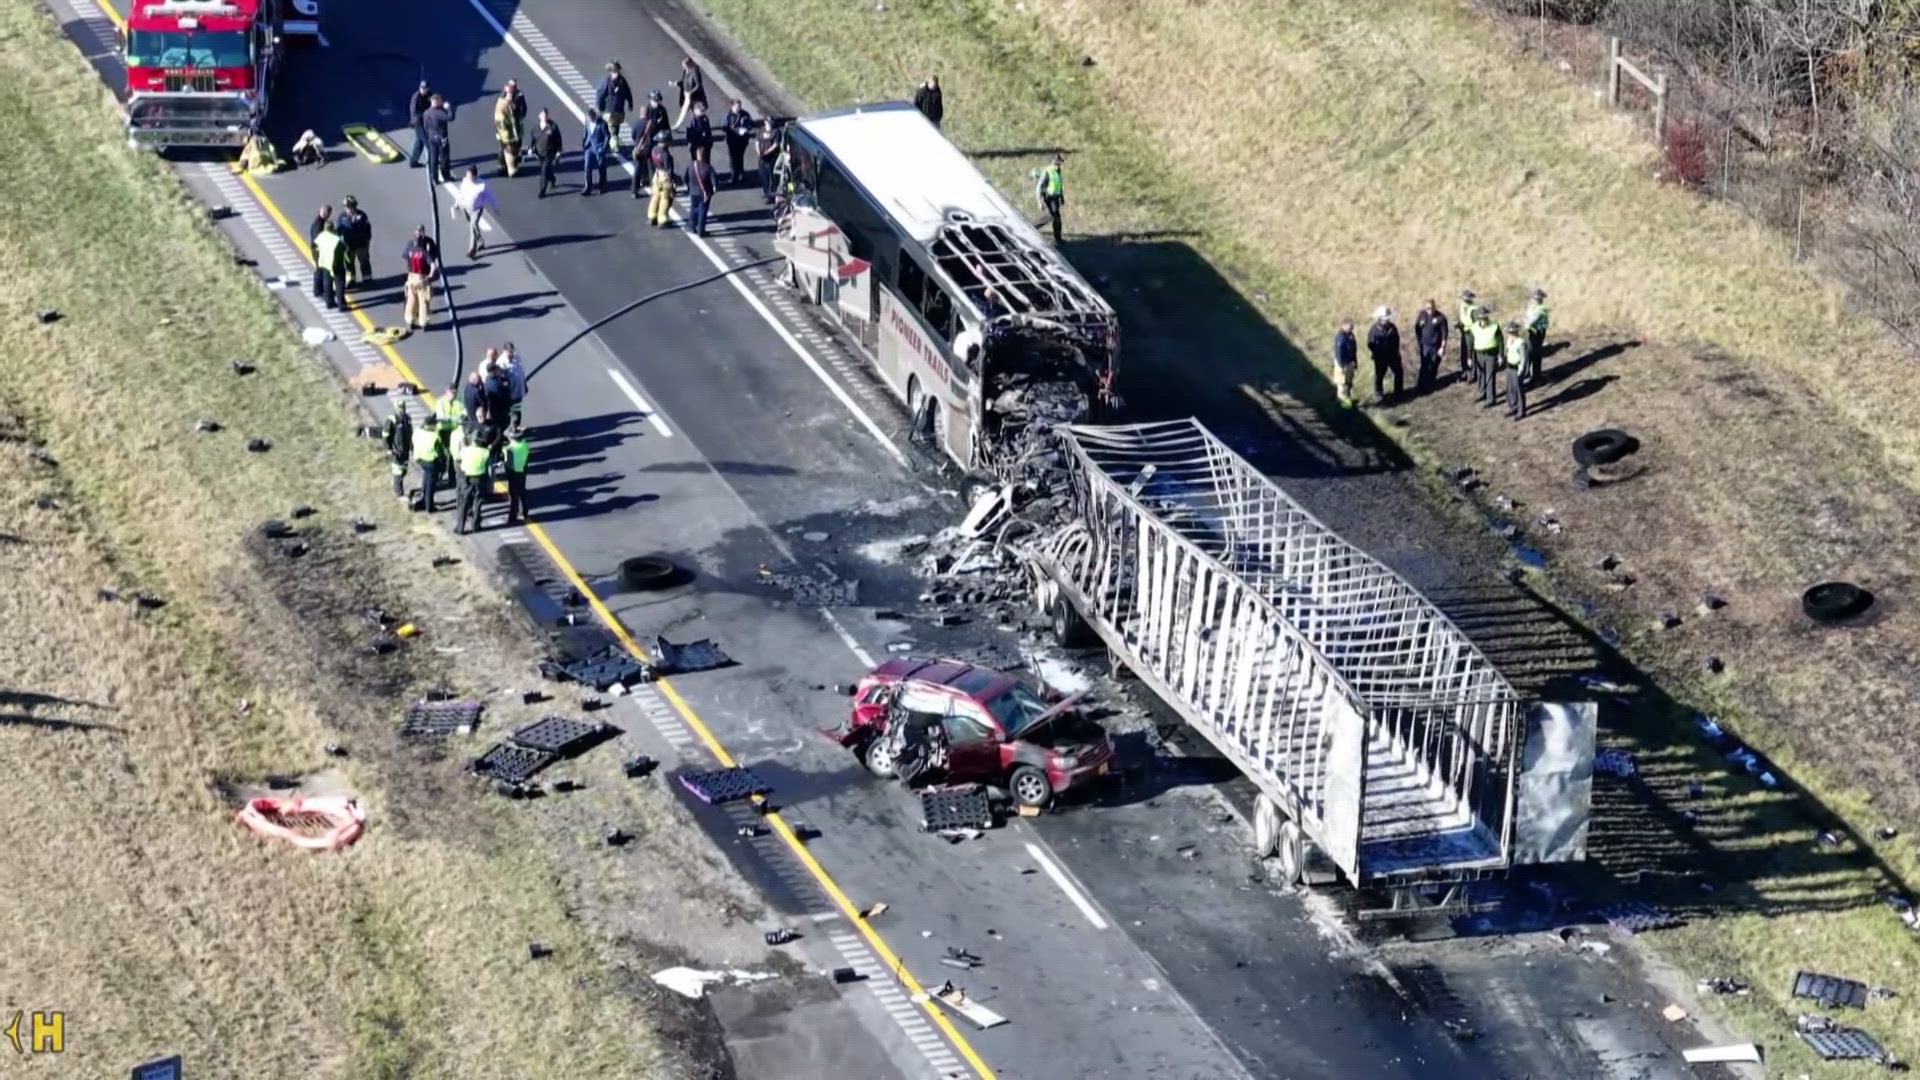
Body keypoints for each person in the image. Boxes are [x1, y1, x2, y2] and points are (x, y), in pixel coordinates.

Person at [456, 424, 493, 535]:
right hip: (480, 479)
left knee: (464, 504)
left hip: (467, 479)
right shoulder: (485, 452)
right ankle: (475, 526)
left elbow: (459, 461)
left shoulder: (464, 451)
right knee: (477, 503)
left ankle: (460, 528)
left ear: (472, 440)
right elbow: (488, 468)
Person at [453, 166, 497, 258]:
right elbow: (461, 193)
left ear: (474, 176)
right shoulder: (465, 181)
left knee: (472, 226)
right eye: (467, 175)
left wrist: (495, 207)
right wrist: (456, 204)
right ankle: (480, 241)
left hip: (477, 209)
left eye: (469, 176)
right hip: (466, 208)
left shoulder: (482, 185)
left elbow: (490, 196)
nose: (467, 177)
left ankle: (472, 250)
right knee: (472, 226)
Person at [401, 225, 438, 330]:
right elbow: (433, 264)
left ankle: (410, 319)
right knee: (423, 301)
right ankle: (423, 321)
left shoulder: (410, 247)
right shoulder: (424, 251)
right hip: (422, 278)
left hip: (411, 277)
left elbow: (406, 257)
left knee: (411, 300)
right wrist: (431, 275)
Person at [1366, 306, 1404, 403]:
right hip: (1380, 358)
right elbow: (1370, 344)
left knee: (1399, 373)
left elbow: (1397, 339)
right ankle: (1379, 393)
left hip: (1393, 356)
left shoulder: (1392, 328)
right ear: (1379, 319)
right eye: (1384, 320)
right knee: (1379, 376)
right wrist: (1378, 352)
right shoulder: (1374, 330)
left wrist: (1396, 351)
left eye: (1387, 319)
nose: (1386, 321)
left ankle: (1398, 392)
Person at [634, 90, 671, 187]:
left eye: (658, 100)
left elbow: (666, 125)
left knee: (658, 160)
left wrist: (668, 136)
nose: (657, 102)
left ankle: (655, 180)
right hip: (648, 139)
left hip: (659, 139)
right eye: (655, 100)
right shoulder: (648, 110)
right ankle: (644, 178)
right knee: (646, 161)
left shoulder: (662, 110)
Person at [1469, 306, 1504, 407]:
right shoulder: (1474, 327)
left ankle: (1491, 399)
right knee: (1480, 375)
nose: (1483, 320)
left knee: (1490, 376)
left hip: (1491, 354)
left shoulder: (1495, 326)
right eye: (1481, 318)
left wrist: (1500, 355)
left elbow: (1500, 341)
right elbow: (1470, 343)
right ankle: (1482, 393)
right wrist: (1469, 357)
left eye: (1485, 317)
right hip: (1479, 353)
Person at [337, 196, 372, 288]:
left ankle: (367, 279)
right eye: (346, 207)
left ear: (354, 206)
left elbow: (367, 230)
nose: (347, 209)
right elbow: (339, 232)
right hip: (348, 246)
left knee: (364, 262)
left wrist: (367, 243)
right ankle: (351, 279)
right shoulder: (342, 217)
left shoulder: (362, 216)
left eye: (349, 207)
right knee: (349, 264)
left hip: (361, 245)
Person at [1413, 298, 1448, 390]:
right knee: (1424, 365)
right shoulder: (1422, 315)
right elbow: (1417, 328)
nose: (1430, 310)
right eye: (1428, 308)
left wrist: (1442, 347)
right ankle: (1421, 386)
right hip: (1424, 345)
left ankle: (1431, 384)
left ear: (1435, 307)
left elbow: (1444, 333)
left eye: (1432, 308)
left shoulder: (1441, 318)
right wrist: (1419, 341)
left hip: (1435, 346)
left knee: (1433, 365)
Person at [596, 62, 633, 148]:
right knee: (611, 127)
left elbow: (628, 92)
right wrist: (599, 107)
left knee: (617, 126)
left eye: (618, 71)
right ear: (610, 72)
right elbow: (600, 94)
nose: (618, 73)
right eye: (615, 71)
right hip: (609, 109)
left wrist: (630, 103)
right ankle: (612, 144)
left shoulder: (622, 81)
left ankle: (612, 141)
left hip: (619, 108)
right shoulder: (606, 81)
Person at [412, 413, 444, 511]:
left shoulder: (417, 432)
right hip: (431, 461)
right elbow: (440, 452)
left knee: (426, 480)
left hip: (419, 459)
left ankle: (423, 500)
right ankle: (429, 506)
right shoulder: (434, 436)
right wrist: (442, 464)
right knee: (431, 484)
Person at [312, 219, 346, 310]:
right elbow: (343, 248)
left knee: (327, 283)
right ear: (333, 228)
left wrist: (317, 260)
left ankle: (329, 302)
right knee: (340, 284)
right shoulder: (336, 239)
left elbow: (314, 247)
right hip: (336, 264)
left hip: (324, 263)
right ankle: (341, 305)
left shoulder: (320, 236)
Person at [684, 147, 718, 236]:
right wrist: (713, 189)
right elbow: (714, 181)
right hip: (704, 193)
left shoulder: (691, 166)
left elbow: (685, 178)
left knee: (693, 209)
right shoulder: (708, 168)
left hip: (693, 191)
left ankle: (691, 226)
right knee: (702, 211)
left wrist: (689, 186)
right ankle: (701, 230)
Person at [422, 93, 454, 183]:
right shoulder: (440, 113)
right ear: (437, 101)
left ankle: (434, 178)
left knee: (433, 158)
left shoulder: (426, 113)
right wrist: (449, 108)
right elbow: (450, 118)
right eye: (440, 100)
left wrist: (430, 135)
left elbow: (425, 126)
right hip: (441, 138)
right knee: (444, 158)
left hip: (431, 138)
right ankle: (446, 176)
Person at [503, 423, 531, 525]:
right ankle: (524, 512)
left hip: (513, 472)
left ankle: (512, 516)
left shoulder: (510, 449)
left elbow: (507, 462)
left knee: (513, 495)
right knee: (522, 491)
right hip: (522, 470)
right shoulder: (524, 444)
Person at [493, 82, 523, 177]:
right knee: (507, 149)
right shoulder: (501, 105)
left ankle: (508, 166)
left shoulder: (512, 103)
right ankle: (508, 169)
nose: (511, 96)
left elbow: (519, 114)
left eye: (512, 94)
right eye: (510, 94)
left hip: (515, 132)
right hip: (507, 134)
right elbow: (499, 121)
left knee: (514, 148)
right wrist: (504, 133)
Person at [382, 407, 413, 498]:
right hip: (396, 451)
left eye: (403, 408)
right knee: (398, 472)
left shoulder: (407, 418)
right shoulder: (392, 419)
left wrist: (411, 445)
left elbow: (410, 432)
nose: (402, 410)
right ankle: (399, 493)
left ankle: (396, 485)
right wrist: (388, 448)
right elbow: (385, 435)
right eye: (400, 408)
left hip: (405, 450)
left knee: (403, 470)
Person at [1035, 151, 1065, 244]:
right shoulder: (1047, 172)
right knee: (1051, 217)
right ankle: (1032, 228)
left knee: (1056, 218)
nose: (1058, 164)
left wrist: (1062, 197)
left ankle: (1058, 239)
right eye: (1056, 162)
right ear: (1052, 162)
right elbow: (1039, 187)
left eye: (1059, 162)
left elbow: (1059, 185)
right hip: (1048, 197)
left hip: (1055, 198)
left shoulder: (1058, 171)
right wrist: (1040, 202)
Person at [722, 99, 754, 185]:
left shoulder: (745, 114)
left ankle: (741, 174)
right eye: (737, 106)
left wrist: (746, 129)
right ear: (732, 106)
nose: (738, 108)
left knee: (740, 157)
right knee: (733, 158)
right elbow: (724, 127)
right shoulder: (728, 115)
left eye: (739, 106)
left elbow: (751, 124)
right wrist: (733, 129)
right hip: (732, 140)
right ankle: (733, 176)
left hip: (742, 140)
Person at [647, 136, 677, 226]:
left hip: (657, 174)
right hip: (664, 176)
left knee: (655, 196)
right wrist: (673, 180)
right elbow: (669, 169)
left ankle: (652, 215)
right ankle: (662, 218)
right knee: (665, 198)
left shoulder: (654, 150)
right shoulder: (665, 154)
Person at [535, 109, 563, 198]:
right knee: (547, 170)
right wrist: (531, 149)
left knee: (544, 171)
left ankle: (542, 191)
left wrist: (559, 151)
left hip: (550, 152)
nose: (544, 117)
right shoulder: (536, 128)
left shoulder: (553, 127)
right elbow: (533, 139)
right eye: (542, 115)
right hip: (540, 153)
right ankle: (552, 178)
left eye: (546, 115)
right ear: (539, 116)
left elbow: (559, 140)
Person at [1504, 320, 1529, 420]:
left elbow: (1524, 359)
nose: (1509, 334)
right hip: (1509, 367)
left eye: (1511, 332)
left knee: (1519, 390)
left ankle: (1521, 411)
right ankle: (1513, 407)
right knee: (1510, 389)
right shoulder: (1509, 341)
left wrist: (1521, 371)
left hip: (1516, 368)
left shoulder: (1521, 343)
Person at [1524, 287, 1550, 385]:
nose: (1533, 300)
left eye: (1534, 299)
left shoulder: (1540, 309)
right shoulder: (1535, 308)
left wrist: (1524, 323)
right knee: (1533, 353)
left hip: (1536, 333)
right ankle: (1534, 374)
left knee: (1534, 354)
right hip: (1534, 332)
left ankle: (1534, 376)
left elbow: (1530, 321)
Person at [581, 109, 610, 195]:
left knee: (601, 166)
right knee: (587, 166)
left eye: (592, 119)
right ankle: (588, 186)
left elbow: (607, 136)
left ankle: (603, 185)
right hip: (589, 147)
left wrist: (604, 148)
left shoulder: (603, 123)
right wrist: (584, 143)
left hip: (599, 148)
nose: (591, 120)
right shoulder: (587, 121)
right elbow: (585, 131)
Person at [674, 56, 707, 130]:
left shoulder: (695, 72)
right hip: (687, 94)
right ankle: (678, 125)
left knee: (695, 110)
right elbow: (684, 81)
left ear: (688, 65)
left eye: (684, 65)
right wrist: (676, 83)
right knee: (685, 110)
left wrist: (690, 93)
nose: (683, 67)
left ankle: (700, 125)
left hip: (694, 95)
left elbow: (698, 85)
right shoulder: (686, 71)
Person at [1332, 319, 1359, 408]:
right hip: (1342, 364)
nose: (1351, 328)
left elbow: (1354, 349)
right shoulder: (1340, 337)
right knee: (1342, 384)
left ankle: (1346, 401)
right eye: (1349, 326)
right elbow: (1339, 352)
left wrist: (1355, 361)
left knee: (1349, 382)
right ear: (1343, 326)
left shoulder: (1351, 336)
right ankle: (1343, 405)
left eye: (1352, 327)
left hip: (1349, 362)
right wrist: (1341, 365)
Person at [407, 80, 433, 168]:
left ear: (428, 88)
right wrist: (427, 114)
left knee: (419, 142)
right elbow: (415, 113)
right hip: (418, 123)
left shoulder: (429, 95)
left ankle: (413, 162)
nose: (423, 90)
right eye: (422, 88)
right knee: (428, 143)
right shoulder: (416, 98)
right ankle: (432, 163)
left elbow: (432, 105)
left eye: (425, 88)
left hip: (425, 122)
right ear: (420, 87)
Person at [755, 119, 780, 204]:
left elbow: (776, 144)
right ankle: (766, 193)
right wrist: (759, 152)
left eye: (770, 122)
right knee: (763, 176)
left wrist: (767, 152)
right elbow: (757, 142)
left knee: (771, 177)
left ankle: (771, 195)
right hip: (762, 158)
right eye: (768, 122)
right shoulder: (760, 130)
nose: (769, 124)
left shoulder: (776, 131)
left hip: (771, 158)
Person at [501, 342, 527, 427]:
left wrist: (524, 384)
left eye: (512, 351)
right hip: (510, 392)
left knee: (517, 408)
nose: (511, 353)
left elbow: (520, 371)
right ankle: (508, 428)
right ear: (505, 351)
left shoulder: (516, 357)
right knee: (509, 411)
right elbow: (502, 379)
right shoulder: (502, 362)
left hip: (518, 389)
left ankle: (517, 425)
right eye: (509, 352)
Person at [1456, 289, 1477, 377]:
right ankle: (1465, 370)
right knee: (1463, 351)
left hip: (1471, 332)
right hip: (1464, 331)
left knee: (1470, 352)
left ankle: (1472, 372)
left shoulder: (1473, 309)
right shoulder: (1462, 306)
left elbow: (1475, 323)